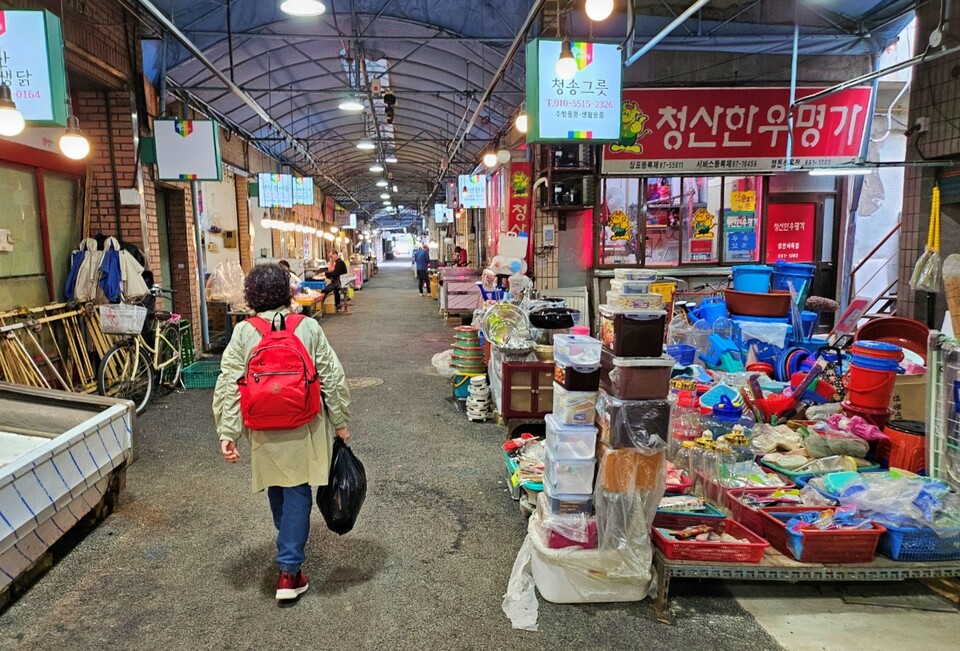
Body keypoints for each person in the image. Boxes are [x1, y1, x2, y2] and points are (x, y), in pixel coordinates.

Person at [214, 263, 351, 603]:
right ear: (287, 292)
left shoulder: (245, 333)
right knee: (298, 490)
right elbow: (332, 376)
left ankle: (289, 555)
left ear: (252, 296)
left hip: (262, 425)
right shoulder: (307, 327)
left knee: (278, 484)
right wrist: (340, 421)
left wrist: (227, 431)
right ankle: (289, 571)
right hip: (304, 423)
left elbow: (229, 383)